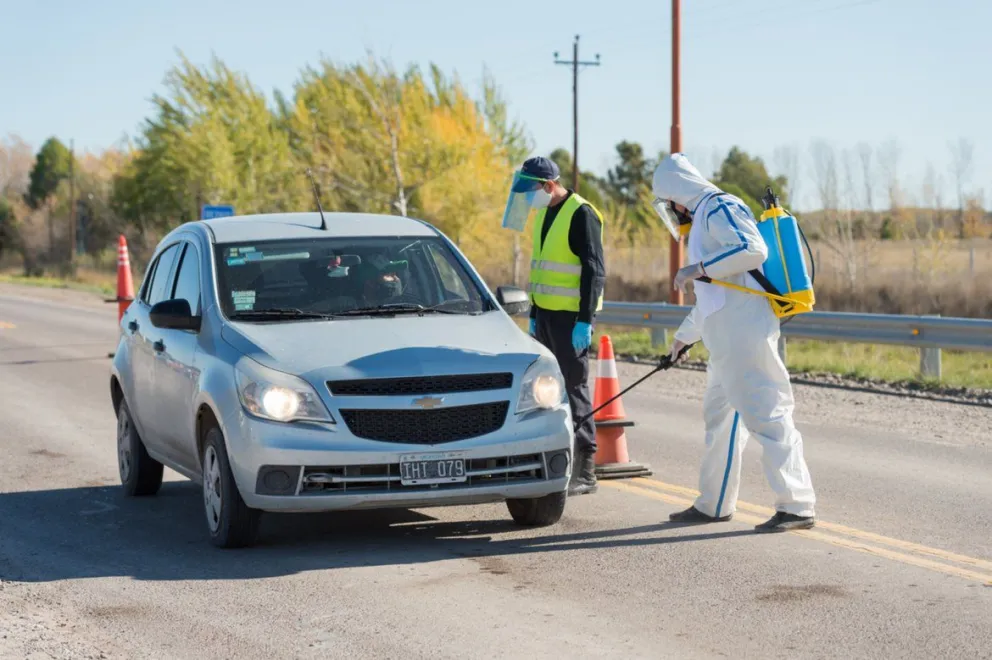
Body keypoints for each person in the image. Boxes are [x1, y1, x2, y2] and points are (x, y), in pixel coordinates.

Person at [650, 153, 816, 533]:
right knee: (720, 420)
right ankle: (714, 503)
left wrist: (698, 268)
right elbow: (714, 296)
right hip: (726, 342)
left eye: (669, 202)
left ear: (676, 192)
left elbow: (754, 250)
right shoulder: (705, 219)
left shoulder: (719, 206)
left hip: (746, 335)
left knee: (768, 414)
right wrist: (683, 338)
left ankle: (797, 505)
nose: (673, 211)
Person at [516, 156, 607, 497]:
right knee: (547, 390)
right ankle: (557, 460)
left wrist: (584, 320)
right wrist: (535, 312)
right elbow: (541, 268)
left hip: (572, 320)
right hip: (548, 316)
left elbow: (594, 271)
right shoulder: (544, 215)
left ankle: (586, 471)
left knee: (574, 388)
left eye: (532, 190)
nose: (529, 198)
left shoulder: (581, 213)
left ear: (549, 186)